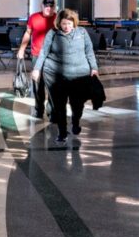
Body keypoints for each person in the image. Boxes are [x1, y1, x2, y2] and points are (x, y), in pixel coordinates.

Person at [32, 8, 98, 145]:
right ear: (59, 23)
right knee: (59, 105)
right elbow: (44, 52)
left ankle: (75, 122)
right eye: (63, 24)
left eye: (69, 23)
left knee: (77, 104)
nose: (66, 27)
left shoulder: (82, 32)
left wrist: (94, 68)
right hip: (56, 75)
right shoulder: (53, 33)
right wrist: (37, 69)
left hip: (79, 75)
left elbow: (89, 51)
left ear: (74, 23)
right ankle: (62, 132)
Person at [19, 0, 58, 119]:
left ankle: (52, 112)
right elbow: (28, 33)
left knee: (52, 86)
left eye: (51, 6)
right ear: (42, 6)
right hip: (37, 55)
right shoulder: (34, 17)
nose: (49, 8)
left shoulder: (58, 18)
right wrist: (22, 49)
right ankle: (38, 109)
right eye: (46, 6)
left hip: (53, 56)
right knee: (37, 85)